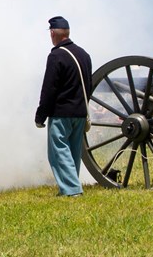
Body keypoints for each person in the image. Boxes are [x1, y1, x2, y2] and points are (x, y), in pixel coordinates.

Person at [35, 16, 92, 197]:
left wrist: (40, 115)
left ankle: (72, 190)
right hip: (80, 112)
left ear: (53, 33)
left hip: (62, 113)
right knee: (73, 152)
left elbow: (49, 89)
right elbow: (88, 85)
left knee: (59, 151)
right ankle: (70, 185)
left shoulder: (56, 56)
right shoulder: (84, 54)